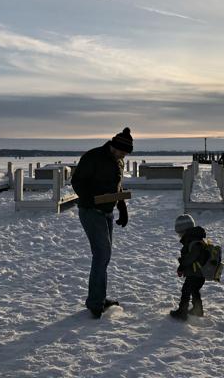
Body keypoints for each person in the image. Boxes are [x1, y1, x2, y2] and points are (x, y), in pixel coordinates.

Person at [71, 127, 133, 319]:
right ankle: (95, 303)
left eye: (126, 154)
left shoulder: (118, 161)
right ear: (114, 146)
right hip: (91, 211)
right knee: (101, 254)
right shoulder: (93, 157)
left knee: (104, 256)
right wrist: (91, 199)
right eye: (122, 152)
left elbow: (117, 186)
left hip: (107, 213)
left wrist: (121, 207)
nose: (123, 156)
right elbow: (77, 182)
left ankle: (99, 297)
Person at [170, 214, 209, 321]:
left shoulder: (194, 242)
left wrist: (182, 265)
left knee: (186, 291)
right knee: (194, 291)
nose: (179, 236)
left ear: (184, 231)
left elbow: (191, 258)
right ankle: (198, 310)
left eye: (180, 233)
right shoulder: (195, 239)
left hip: (195, 274)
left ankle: (182, 312)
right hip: (198, 273)